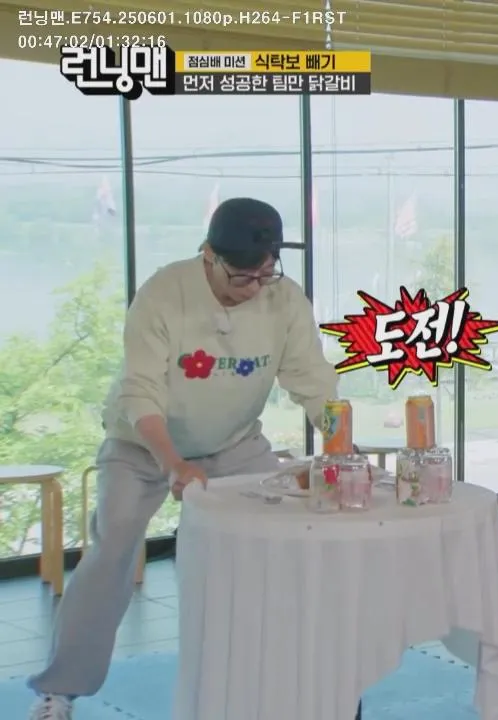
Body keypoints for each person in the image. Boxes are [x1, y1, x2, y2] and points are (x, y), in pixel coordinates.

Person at [27, 198, 340, 720]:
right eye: (242, 276)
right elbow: (141, 392)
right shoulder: (164, 293)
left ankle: (281, 673)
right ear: (209, 255)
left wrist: (340, 442)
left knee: (284, 536)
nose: (255, 287)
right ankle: (58, 692)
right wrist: (173, 464)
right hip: (143, 445)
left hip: (234, 444)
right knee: (114, 544)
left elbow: (313, 380)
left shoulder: (283, 299)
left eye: (266, 273)